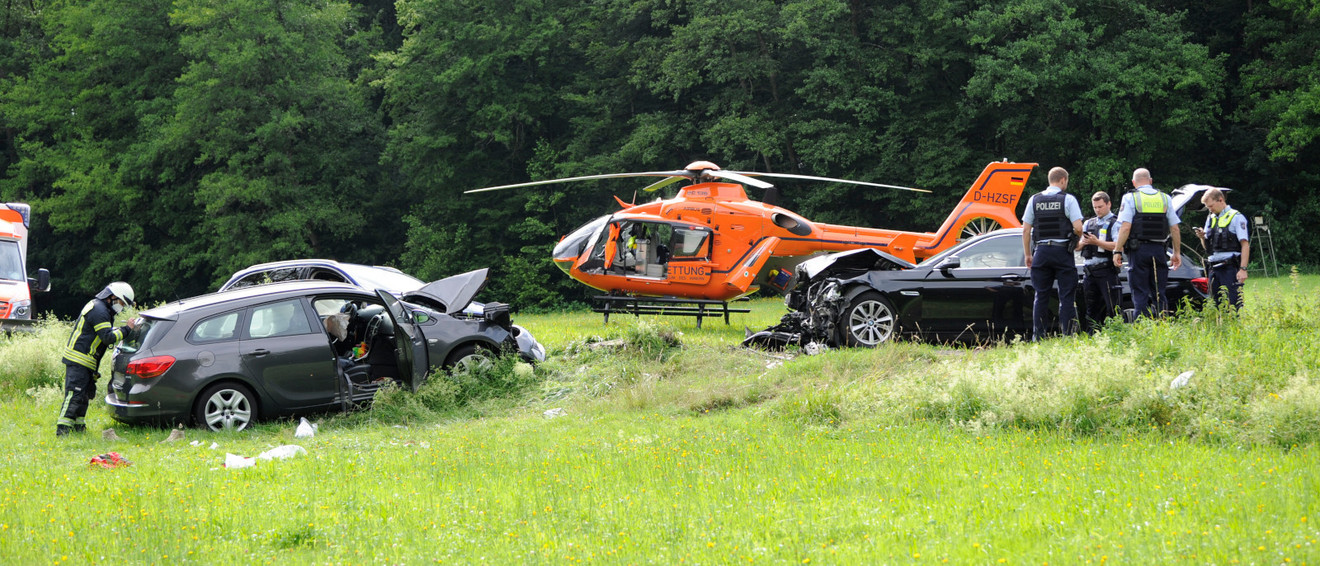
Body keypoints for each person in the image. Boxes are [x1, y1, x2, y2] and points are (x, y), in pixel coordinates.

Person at [57, 282, 138, 436]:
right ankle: (62, 431)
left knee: (83, 396)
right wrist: (127, 329)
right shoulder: (99, 310)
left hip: (86, 360)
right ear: (112, 297)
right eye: (121, 303)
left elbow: (103, 331)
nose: (121, 307)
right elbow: (107, 337)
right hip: (79, 359)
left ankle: (79, 428)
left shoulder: (101, 308)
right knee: (75, 394)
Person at [1021, 166, 1084, 339]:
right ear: (1063, 180)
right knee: (1066, 297)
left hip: (1041, 252)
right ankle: (1068, 335)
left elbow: (1026, 231)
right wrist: (1077, 238)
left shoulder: (1034, 200)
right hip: (1062, 252)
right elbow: (1078, 227)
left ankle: (1038, 337)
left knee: (1040, 296)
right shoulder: (1068, 200)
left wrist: (1028, 255)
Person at [1112, 168, 1182, 319]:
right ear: (1151, 181)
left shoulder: (1131, 198)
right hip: (1159, 251)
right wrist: (1176, 252)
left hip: (1138, 252)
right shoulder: (1165, 198)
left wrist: (1117, 251)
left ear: (1133, 182)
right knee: (1159, 292)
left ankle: (1142, 328)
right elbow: (1175, 228)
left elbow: (1125, 227)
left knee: (1140, 293)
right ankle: (1162, 326)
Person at [1194, 188, 1250, 308]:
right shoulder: (1211, 218)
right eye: (1208, 207)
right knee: (1216, 304)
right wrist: (1202, 238)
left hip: (1230, 268)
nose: (1210, 209)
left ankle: (1235, 325)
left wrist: (1243, 269)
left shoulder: (1237, 217)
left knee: (1233, 304)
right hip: (1213, 268)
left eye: (1211, 206)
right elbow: (1208, 249)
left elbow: (1245, 245)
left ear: (1220, 200)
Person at [1076, 191, 1122, 330]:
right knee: (1090, 309)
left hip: (1106, 269)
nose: (1097, 210)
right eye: (1095, 207)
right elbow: (1077, 247)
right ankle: (1093, 338)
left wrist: (1097, 243)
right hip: (1089, 272)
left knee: (1113, 307)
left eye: (1100, 206)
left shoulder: (1115, 223)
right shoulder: (1088, 223)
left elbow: (1118, 245)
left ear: (1109, 204)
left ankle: (1116, 335)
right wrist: (1084, 242)